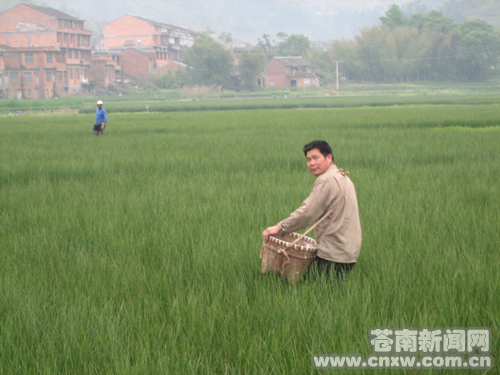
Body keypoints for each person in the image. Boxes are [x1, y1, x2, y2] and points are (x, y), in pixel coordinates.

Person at [262, 140, 362, 281]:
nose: (311, 163)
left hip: (333, 253)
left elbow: (307, 212)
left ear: (329, 158)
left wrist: (279, 228)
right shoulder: (343, 177)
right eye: (308, 160)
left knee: (323, 298)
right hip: (348, 252)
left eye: (316, 158)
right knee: (335, 296)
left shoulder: (326, 180)